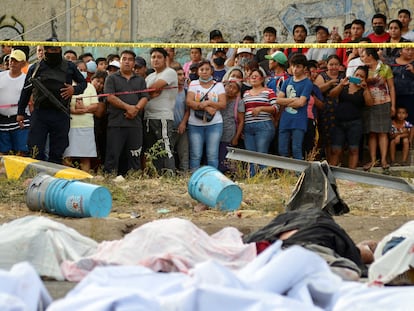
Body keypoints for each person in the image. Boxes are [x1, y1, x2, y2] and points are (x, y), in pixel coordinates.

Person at [16, 38, 87, 164]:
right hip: (40, 114)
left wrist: (73, 89)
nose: (54, 52)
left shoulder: (69, 66)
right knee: (36, 149)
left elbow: (83, 83)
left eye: (56, 49)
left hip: (61, 113)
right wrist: (20, 112)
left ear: (60, 49)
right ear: (45, 50)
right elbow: (26, 91)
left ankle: (54, 180)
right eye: (50, 49)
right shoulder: (36, 68)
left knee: (58, 151)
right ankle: (37, 177)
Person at [103, 49, 149, 175]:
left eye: (130, 59)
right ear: (120, 61)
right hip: (116, 123)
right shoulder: (111, 78)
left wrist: (136, 109)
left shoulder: (140, 80)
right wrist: (128, 107)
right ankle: (110, 179)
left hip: (135, 124)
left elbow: (145, 97)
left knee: (135, 155)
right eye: (124, 59)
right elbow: (110, 97)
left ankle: (134, 179)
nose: (127, 62)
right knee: (113, 155)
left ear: (134, 63)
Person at [329, 66, 374, 169]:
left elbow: (370, 103)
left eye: (361, 76)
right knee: (336, 149)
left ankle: (351, 176)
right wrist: (341, 84)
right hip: (339, 122)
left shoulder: (364, 90)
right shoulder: (345, 86)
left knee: (353, 149)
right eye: (356, 75)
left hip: (355, 123)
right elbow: (331, 95)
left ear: (365, 79)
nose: (358, 77)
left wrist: (365, 88)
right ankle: (331, 172)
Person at [186, 60, 226, 171]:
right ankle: (195, 178)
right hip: (195, 124)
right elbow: (189, 102)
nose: (204, 72)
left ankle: (214, 179)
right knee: (195, 154)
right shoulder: (194, 84)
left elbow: (223, 104)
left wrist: (209, 103)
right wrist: (204, 107)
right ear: (198, 72)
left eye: (207, 69)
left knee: (212, 154)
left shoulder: (218, 85)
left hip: (214, 123)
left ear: (211, 71)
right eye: (201, 69)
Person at [360, 48, 396, 172]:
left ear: (370, 56)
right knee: (371, 133)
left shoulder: (385, 68)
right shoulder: (363, 69)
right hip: (368, 104)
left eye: (363, 55)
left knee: (382, 132)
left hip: (383, 102)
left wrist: (393, 105)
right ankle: (373, 159)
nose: (362, 58)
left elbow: (391, 87)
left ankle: (384, 159)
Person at [144, 48, 178, 174]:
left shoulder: (170, 72)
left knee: (166, 147)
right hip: (148, 117)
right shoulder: (150, 76)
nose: (155, 59)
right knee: (153, 149)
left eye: (159, 57)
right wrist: (150, 92)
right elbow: (147, 93)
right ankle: (157, 175)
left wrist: (151, 91)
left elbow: (154, 88)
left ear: (165, 59)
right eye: (153, 57)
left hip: (163, 116)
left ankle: (170, 175)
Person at [63, 61, 99, 172]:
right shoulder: (68, 86)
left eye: (84, 70)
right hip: (70, 125)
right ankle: (67, 179)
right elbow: (62, 105)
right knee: (67, 155)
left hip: (86, 125)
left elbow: (95, 105)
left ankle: (85, 179)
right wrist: (72, 110)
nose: (82, 72)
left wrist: (85, 109)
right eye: (79, 70)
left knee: (85, 155)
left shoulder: (90, 87)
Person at [241, 68, 278, 176]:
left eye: (256, 76)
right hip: (248, 126)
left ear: (262, 79)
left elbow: (276, 107)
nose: (253, 78)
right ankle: (252, 178)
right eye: (251, 76)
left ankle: (263, 177)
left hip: (264, 125)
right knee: (251, 154)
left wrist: (261, 108)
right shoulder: (246, 93)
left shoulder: (269, 91)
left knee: (261, 152)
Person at [276, 53, 313, 160]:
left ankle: (298, 175)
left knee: (296, 148)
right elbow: (278, 100)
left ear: (304, 68)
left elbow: (301, 103)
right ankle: (286, 173)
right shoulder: (287, 81)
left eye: (298, 66)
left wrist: (285, 101)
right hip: (285, 119)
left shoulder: (307, 83)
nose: (294, 69)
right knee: (282, 149)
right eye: (293, 66)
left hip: (299, 120)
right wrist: (293, 99)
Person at [314, 54, 346, 162]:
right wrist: (330, 83)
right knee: (327, 140)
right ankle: (328, 162)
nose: (333, 67)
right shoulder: (322, 76)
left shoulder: (343, 75)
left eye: (336, 64)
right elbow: (317, 90)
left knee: (339, 140)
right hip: (326, 112)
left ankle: (338, 163)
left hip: (341, 111)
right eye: (331, 64)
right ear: (327, 65)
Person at [0, 50, 29, 155]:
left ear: (23, 63)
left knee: (22, 153)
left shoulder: (27, 80)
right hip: (2, 120)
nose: (12, 63)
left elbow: (31, 100)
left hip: (20, 121)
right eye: (11, 60)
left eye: (16, 61)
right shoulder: (1, 76)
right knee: (3, 154)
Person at [219, 78, 244, 173]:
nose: (230, 89)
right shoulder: (219, 98)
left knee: (224, 155)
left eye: (234, 88)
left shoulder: (239, 102)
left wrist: (236, 137)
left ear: (237, 92)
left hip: (229, 132)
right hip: (216, 130)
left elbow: (241, 121)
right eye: (229, 86)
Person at [171, 64, 190, 173]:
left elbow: (188, 110)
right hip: (169, 128)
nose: (182, 77)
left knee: (184, 153)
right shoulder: (167, 91)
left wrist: (183, 123)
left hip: (182, 128)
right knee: (169, 154)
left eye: (183, 74)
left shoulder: (186, 91)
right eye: (179, 75)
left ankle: (184, 176)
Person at [389, 47, 414, 125]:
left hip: (411, 96)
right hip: (395, 96)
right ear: (400, 51)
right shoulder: (392, 62)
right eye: (407, 49)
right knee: (395, 117)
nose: (410, 52)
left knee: (411, 119)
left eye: (412, 49)